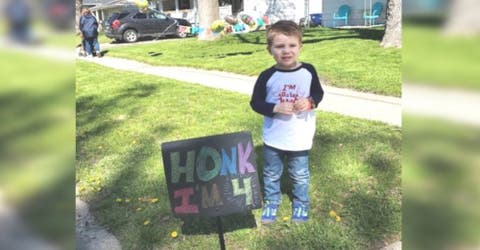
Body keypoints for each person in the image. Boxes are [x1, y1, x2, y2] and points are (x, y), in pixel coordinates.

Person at [250, 20, 324, 223]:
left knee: (300, 174)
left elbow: (319, 93)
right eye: (280, 46)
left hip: (299, 136)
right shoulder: (267, 76)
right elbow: (255, 103)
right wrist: (275, 107)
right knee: (271, 173)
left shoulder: (308, 71)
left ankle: (301, 203)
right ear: (270, 50)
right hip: (274, 136)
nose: (286, 51)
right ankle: (271, 202)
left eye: (292, 45)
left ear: (300, 47)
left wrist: (310, 101)